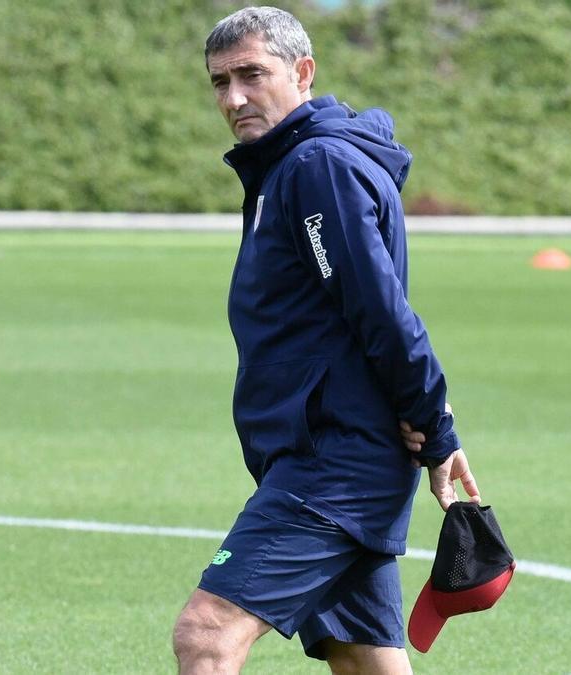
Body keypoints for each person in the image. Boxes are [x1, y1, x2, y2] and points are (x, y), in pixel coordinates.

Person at [172, 7, 480, 674]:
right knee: (362, 656)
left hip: (334, 462)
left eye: (252, 75)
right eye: (220, 83)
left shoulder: (316, 166)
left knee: (206, 631)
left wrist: (437, 427)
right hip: (325, 451)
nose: (234, 98)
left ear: (302, 71)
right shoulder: (288, 164)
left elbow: (381, 309)